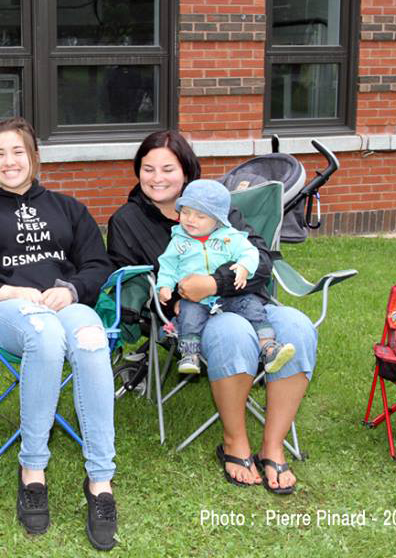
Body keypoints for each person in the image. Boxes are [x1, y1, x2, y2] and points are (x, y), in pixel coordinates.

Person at [0, 117, 118, 550]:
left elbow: (99, 264)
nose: (9, 161)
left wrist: (72, 289)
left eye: (17, 151)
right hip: (5, 310)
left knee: (91, 341)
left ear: (34, 157)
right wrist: (7, 290)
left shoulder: (69, 208)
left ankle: (100, 480)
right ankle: (33, 470)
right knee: (44, 334)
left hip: (65, 302)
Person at [107, 130, 317, 495]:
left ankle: (273, 444)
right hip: (188, 319)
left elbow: (261, 261)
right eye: (148, 168)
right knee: (232, 331)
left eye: (168, 169)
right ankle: (235, 442)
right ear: (137, 171)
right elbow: (130, 281)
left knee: (297, 326)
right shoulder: (127, 220)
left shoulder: (221, 208)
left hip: (249, 301)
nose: (157, 178)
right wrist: (164, 296)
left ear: (186, 171)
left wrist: (215, 283)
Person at [155, 179, 295, 375]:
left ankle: (268, 347)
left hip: (230, 295)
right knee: (189, 315)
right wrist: (164, 286)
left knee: (252, 307)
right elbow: (168, 266)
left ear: (217, 219)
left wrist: (245, 266)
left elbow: (251, 252)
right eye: (185, 212)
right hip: (196, 298)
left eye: (200, 215)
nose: (190, 219)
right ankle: (189, 354)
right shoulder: (179, 241)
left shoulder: (230, 236)